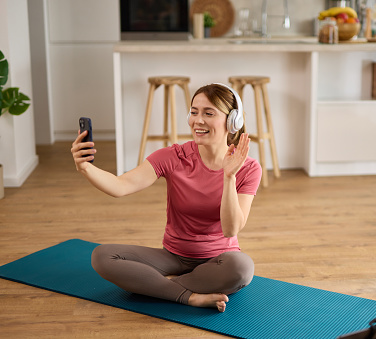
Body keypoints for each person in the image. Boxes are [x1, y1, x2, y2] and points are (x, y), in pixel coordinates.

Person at [71, 83, 262, 312]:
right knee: (102, 256)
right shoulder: (173, 156)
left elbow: (231, 229)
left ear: (232, 122)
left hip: (219, 260)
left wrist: (229, 177)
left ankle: (158, 288)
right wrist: (85, 168)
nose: (197, 121)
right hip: (173, 255)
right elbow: (120, 186)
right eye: (193, 112)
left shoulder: (249, 168)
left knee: (242, 268)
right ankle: (188, 296)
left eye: (208, 113)